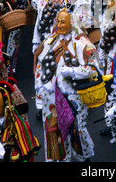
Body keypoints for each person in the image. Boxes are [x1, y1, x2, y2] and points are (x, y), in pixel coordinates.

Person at [34, 10, 100, 162]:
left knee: (76, 130)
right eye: (58, 21)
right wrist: (39, 92)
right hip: (50, 96)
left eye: (63, 22)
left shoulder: (82, 44)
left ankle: (84, 159)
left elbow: (94, 69)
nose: (59, 25)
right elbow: (39, 68)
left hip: (73, 96)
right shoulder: (49, 41)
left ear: (72, 23)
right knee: (52, 131)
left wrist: (71, 71)